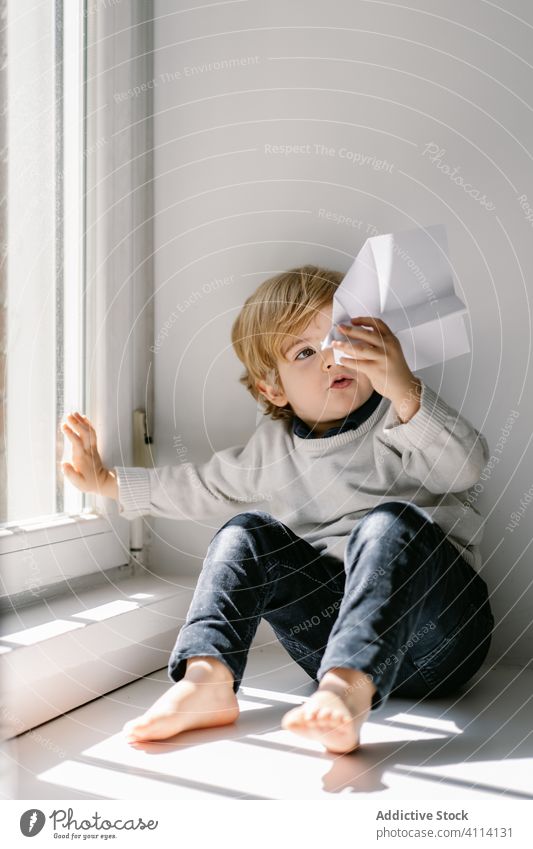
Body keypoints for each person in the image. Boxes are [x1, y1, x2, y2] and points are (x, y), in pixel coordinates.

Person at [61, 265, 494, 755]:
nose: (332, 358)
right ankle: (209, 678)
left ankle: (346, 689)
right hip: (327, 644)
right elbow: (198, 487)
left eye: (341, 338)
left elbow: (465, 468)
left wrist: (405, 388)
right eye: (306, 352)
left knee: (387, 525)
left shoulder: (400, 416)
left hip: (441, 635)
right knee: (243, 532)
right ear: (273, 389)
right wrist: (105, 481)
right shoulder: (270, 451)